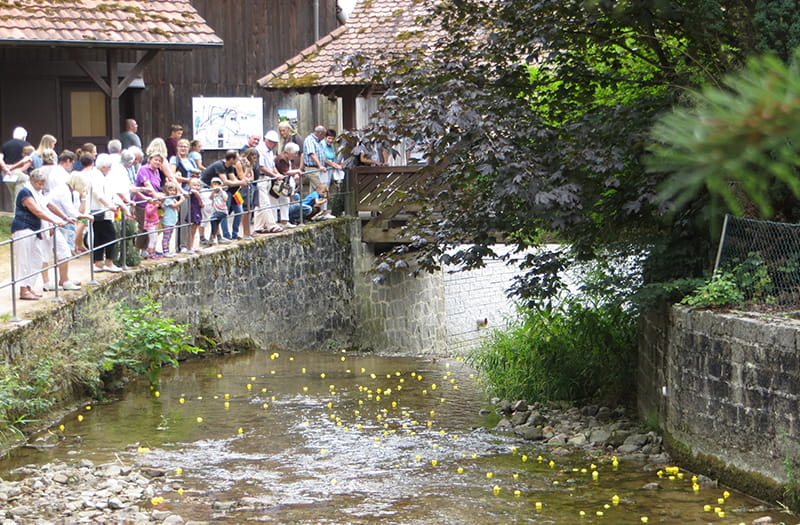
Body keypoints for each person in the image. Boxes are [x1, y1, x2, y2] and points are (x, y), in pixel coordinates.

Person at [11, 169, 67, 300]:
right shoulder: (25, 192)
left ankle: (29, 286)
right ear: (32, 181)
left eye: (42, 184)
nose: (41, 187)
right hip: (23, 228)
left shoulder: (38, 193)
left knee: (37, 258)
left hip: (35, 230)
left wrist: (63, 218)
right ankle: (23, 290)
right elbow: (37, 211)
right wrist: (55, 221)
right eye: (39, 184)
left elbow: (47, 206)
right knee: (24, 260)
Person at [201, 150, 247, 241]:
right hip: (207, 189)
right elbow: (225, 181)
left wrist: (241, 182)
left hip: (222, 190)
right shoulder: (220, 165)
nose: (238, 160)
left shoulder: (230, 167)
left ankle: (221, 236)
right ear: (231, 159)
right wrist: (241, 182)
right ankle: (206, 237)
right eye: (237, 158)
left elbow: (233, 179)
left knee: (224, 212)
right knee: (210, 214)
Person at [89, 154, 123, 273]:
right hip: (100, 211)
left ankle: (99, 262)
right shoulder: (96, 176)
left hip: (102, 211)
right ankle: (108, 262)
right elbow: (98, 194)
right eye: (108, 167)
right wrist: (109, 205)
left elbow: (110, 193)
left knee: (99, 236)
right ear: (103, 166)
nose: (109, 169)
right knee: (110, 235)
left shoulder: (101, 176)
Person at [133, 152, 166, 255]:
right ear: (150, 160)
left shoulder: (157, 172)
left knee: (152, 227)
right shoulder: (143, 169)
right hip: (142, 202)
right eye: (155, 160)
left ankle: (147, 249)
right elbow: (147, 185)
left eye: (160, 161)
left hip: (153, 204)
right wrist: (156, 195)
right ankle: (137, 250)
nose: (157, 162)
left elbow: (157, 186)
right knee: (143, 227)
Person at [274, 142, 303, 230]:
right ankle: (276, 222)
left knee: (285, 201)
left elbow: (292, 168)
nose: (296, 155)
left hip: (286, 183)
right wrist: (297, 172)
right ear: (288, 152)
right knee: (275, 202)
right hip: (279, 184)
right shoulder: (282, 159)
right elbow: (285, 171)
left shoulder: (290, 159)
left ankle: (285, 221)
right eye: (295, 153)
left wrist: (295, 174)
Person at [303, 125, 328, 193]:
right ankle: (321, 200)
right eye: (324, 135)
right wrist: (320, 166)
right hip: (312, 168)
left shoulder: (319, 142)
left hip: (318, 169)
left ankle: (312, 200)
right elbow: (312, 154)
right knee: (321, 189)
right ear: (320, 134)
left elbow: (323, 156)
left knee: (314, 191)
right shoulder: (310, 140)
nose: (324, 137)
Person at [160, 182, 183, 257]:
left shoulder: (173, 199)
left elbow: (177, 208)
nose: (172, 192)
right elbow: (173, 206)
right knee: (166, 237)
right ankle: (165, 251)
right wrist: (181, 200)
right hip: (167, 221)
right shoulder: (167, 200)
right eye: (170, 190)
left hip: (172, 221)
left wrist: (177, 202)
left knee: (169, 236)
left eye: (174, 191)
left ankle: (168, 250)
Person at [208, 177, 230, 245]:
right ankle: (217, 237)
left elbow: (225, 199)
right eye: (215, 184)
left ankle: (212, 237)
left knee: (213, 220)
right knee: (216, 223)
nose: (216, 186)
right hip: (215, 211)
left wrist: (221, 190)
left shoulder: (223, 193)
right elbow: (210, 198)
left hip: (222, 211)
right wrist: (213, 191)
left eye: (218, 184)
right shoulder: (213, 194)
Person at [185, 177, 204, 253]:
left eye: (198, 185)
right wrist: (200, 198)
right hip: (193, 211)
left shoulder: (198, 192)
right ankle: (189, 246)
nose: (196, 187)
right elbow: (193, 191)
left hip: (197, 210)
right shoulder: (192, 191)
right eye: (194, 185)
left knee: (195, 230)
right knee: (191, 230)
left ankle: (192, 245)